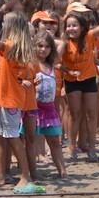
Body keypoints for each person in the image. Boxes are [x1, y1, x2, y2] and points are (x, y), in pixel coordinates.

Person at [56, 3, 99, 162]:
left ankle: (92, 148)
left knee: (92, 113)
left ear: (82, 28)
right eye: (68, 26)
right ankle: (72, 148)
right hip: (71, 81)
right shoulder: (64, 42)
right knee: (75, 114)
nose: (71, 29)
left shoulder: (89, 36)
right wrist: (68, 71)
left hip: (89, 79)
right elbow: (55, 63)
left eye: (74, 25)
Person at [0, 12, 42, 193]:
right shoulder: (18, 49)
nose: (2, 25)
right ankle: (0, 175)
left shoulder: (12, 46)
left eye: (5, 22)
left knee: (12, 137)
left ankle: (25, 176)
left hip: (10, 101)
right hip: (4, 99)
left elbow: (4, 45)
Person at [33, 30, 66, 177]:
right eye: (40, 46)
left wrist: (48, 35)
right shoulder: (31, 64)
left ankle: (63, 171)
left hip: (49, 111)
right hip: (33, 109)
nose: (43, 49)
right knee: (29, 142)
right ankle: (29, 171)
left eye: (47, 46)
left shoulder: (52, 64)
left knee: (54, 142)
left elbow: (62, 43)